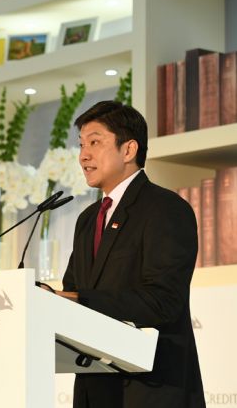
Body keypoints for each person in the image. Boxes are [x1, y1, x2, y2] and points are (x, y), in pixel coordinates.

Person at [53, 101, 205, 407]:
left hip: (150, 390)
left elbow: (163, 301)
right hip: (94, 390)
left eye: (95, 142)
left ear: (128, 149)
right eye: (81, 145)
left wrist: (79, 299)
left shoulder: (165, 209)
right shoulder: (88, 218)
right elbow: (74, 292)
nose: (83, 155)